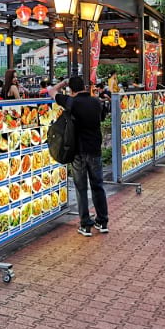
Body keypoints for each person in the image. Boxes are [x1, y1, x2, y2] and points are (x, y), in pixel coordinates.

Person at [47, 76, 108, 236]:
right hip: (95, 149)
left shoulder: (71, 102)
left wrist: (63, 83)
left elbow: (51, 91)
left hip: (78, 152)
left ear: (71, 90)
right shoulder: (96, 102)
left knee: (81, 188)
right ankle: (102, 221)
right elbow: (101, 117)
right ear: (84, 87)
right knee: (98, 186)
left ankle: (85, 224)